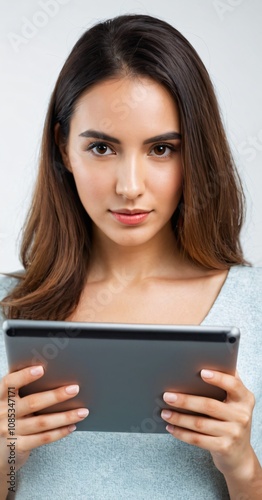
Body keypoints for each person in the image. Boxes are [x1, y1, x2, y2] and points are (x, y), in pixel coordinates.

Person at [0, 13, 261, 500]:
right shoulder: (6, 309)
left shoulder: (256, 307)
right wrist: (3, 456)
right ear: (63, 147)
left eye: (161, 149)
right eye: (102, 147)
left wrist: (243, 467)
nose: (130, 187)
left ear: (195, 154)